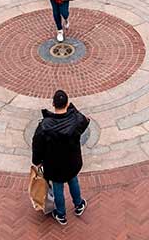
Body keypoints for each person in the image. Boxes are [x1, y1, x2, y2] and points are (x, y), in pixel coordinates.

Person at [31, 88, 90, 227]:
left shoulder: (45, 126)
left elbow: (37, 145)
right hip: (72, 162)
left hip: (54, 166)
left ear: (53, 104)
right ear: (67, 103)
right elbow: (85, 121)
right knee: (73, 180)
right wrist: (72, 109)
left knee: (58, 187)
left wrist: (37, 161)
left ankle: (61, 214)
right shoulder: (76, 120)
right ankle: (78, 204)